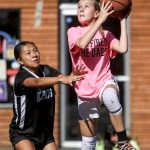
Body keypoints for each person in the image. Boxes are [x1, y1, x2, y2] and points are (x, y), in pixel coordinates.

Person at [67, 0, 136, 150]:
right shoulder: (73, 31)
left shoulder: (105, 34)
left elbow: (123, 48)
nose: (81, 9)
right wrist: (100, 21)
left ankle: (122, 141)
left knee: (110, 97)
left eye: (86, 6)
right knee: (88, 144)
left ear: (97, 12)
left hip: (104, 80)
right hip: (84, 88)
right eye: (79, 6)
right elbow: (82, 44)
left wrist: (123, 20)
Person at [9, 41, 84, 150]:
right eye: (28, 53)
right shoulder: (21, 77)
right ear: (20, 60)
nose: (34, 55)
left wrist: (71, 77)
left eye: (35, 50)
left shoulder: (47, 70)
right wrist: (60, 79)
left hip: (45, 134)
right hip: (23, 134)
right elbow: (36, 82)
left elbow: (64, 78)